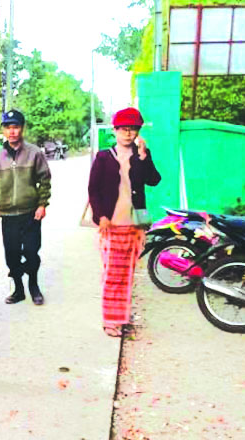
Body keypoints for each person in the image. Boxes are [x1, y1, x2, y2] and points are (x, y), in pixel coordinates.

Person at [88, 107, 162, 337]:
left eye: (133, 129)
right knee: (113, 274)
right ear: (115, 130)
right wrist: (101, 216)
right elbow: (93, 189)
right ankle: (110, 321)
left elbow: (154, 180)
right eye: (123, 129)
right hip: (111, 224)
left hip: (135, 223)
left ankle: (122, 317)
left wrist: (144, 156)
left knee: (127, 274)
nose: (128, 133)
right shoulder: (104, 157)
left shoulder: (141, 156)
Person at [0, 109, 52, 306]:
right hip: (8, 215)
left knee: (31, 252)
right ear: (3, 130)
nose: (12, 131)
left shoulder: (34, 153)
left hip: (30, 213)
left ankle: (33, 285)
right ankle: (19, 289)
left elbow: (45, 180)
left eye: (16, 127)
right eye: (8, 127)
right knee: (12, 255)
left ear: (22, 128)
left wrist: (42, 204)